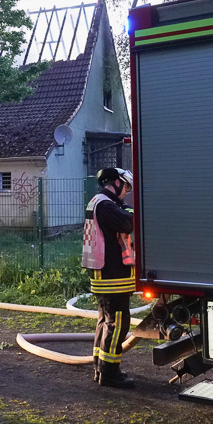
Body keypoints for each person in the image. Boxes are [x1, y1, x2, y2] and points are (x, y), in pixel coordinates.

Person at [82, 167, 136, 389]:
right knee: (117, 323)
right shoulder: (105, 205)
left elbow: (124, 213)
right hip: (112, 274)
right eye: (125, 187)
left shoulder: (99, 202)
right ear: (115, 183)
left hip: (103, 272)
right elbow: (129, 222)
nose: (126, 192)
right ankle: (110, 373)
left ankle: (100, 367)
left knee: (105, 321)